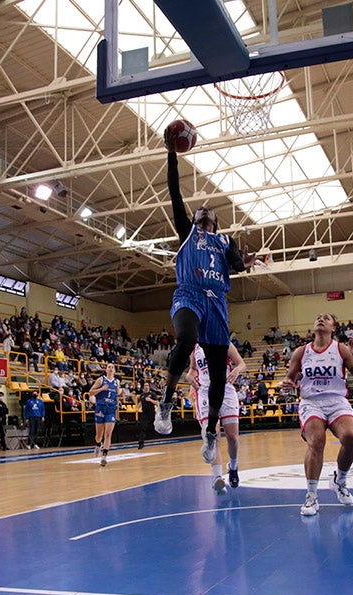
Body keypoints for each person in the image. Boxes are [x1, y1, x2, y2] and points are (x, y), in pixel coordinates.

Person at [152, 134, 256, 471]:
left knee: (216, 375)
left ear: (214, 222)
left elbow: (238, 265)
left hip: (217, 305)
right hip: (190, 294)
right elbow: (175, 192)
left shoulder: (225, 241)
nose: (203, 213)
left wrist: (246, 261)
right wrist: (172, 155)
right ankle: (166, 401)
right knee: (185, 337)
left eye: (208, 214)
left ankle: (210, 431)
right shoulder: (188, 232)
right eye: (200, 213)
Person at [281, 313, 353, 517]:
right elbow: (290, 380)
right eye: (318, 317)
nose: (320, 319)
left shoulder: (341, 349)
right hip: (312, 403)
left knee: (351, 436)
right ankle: (311, 496)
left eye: (326, 318)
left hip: (336, 401)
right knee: (317, 441)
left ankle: (340, 480)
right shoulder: (301, 352)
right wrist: (287, 384)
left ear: (333, 328)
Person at [188, 342, 247, 494]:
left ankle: (233, 467)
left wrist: (236, 371)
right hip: (204, 393)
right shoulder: (195, 348)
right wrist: (189, 375)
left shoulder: (224, 341)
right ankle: (217, 477)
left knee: (232, 437)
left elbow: (242, 364)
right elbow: (193, 369)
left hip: (226, 390)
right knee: (213, 438)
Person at [88, 362, 120, 466]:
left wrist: (119, 400)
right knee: (99, 435)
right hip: (100, 408)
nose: (110, 368)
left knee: (108, 433)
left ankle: (104, 456)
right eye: (109, 367)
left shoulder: (117, 382)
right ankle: (98, 444)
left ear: (114, 370)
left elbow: (115, 395)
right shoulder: (101, 380)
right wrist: (101, 389)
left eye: (112, 367)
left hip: (111, 409)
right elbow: (90, 393)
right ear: (106, 370)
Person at [135, 381, 158, 450]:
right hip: (144, 413)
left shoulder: (153, 394)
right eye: (145, 385)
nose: (146, 387)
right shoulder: (142, 395)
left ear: (149, 386)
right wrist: (137, 408)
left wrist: (150, 400)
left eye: (147, 385)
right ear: (143, 387)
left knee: (155, 425)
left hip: (152, 412)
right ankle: (141, 443)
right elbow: (140, 402)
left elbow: (157, 403)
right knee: (143, 427)